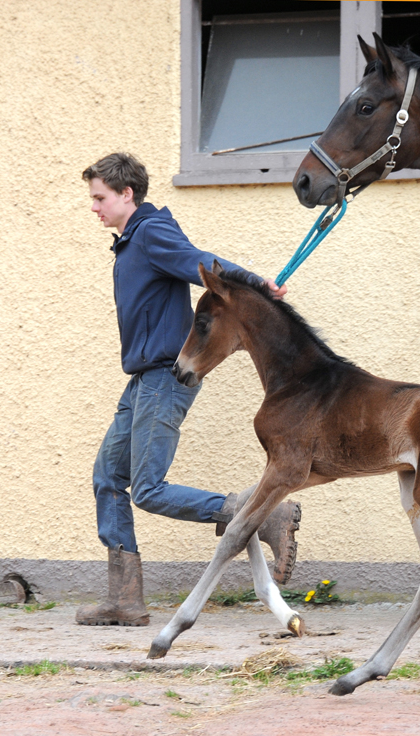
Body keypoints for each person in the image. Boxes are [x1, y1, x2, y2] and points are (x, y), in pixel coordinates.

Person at [76, 152, 302, 626]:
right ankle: (126, 600)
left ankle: (254, 513)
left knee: (149, 488)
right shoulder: (132, 241)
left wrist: (252, 282)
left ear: (126, 194)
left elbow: (199, 261)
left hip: (164, 378)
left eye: (99, 198)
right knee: (107, 478)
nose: (93, 207)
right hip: (142, 380)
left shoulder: (152, 232)